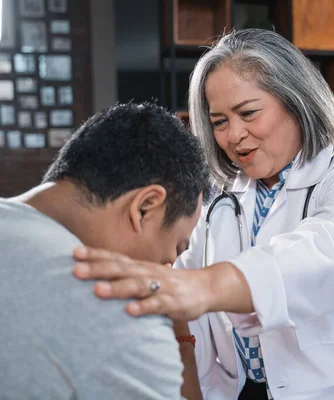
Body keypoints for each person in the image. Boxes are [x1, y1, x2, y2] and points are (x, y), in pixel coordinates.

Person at [72, 29, 334, 400]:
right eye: (220, 121)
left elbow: (331, 253)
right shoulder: (214, 199)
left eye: (248, 113)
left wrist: (208, 287)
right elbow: (181, 298)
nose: (234, 135)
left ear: (296, 100)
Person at [0, 102, 209, 399]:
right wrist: (181, 335)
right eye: (176, 248)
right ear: (145, 207)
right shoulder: (116, 308)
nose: (169, 267)